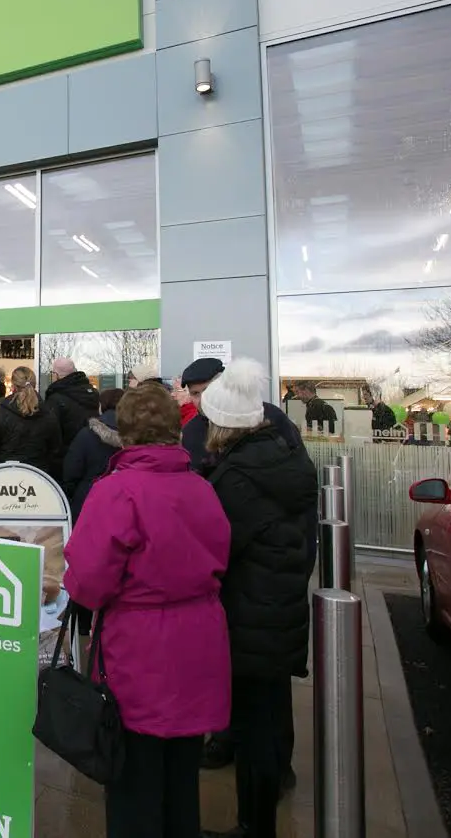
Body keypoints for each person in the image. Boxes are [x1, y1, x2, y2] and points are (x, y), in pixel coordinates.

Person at [64, 384, 232, 838]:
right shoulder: (201, 485)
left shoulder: (117, 490)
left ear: (126, 429)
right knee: (182, 776)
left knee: (134, 782)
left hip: (139, 647)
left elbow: (88, 583)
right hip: (199, 640)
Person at [196, 359, 317, 838]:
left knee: (252, 727)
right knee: (265, 719)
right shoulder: (286, 456)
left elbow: (218, 552)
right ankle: (260, 815)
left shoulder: (238, 478)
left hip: (250, 615)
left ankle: (254, 825)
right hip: (280, 606)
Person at [179, 358, 302, 471]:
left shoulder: (269, 414)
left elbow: (298, 459)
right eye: (195, 393)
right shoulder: (191, 432)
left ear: (222, 386)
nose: (202, 399)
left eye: (207, 390)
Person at [0, 366, 61, 476]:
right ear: (34, 385)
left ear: (13, 386)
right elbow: (55, 452)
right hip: (38, 478)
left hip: (4, 477)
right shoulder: (48, 414)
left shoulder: (0, 412)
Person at [61, 388, 125, 524]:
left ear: (101, 406)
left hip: (88, 501)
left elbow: (71, 471)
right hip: (124, 501)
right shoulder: (138, 437)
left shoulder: (86, 435)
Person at [44, 357, 101, 473]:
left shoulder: (55, 399)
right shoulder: (93, 394)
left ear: (56, 375)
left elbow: (51, 434)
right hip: (92, 455)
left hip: (64, 461)